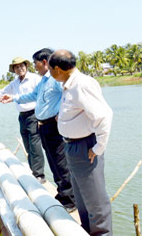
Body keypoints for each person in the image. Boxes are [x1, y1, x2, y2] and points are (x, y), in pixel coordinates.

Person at [0, 48, 75, 211]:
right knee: (53, 161)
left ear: (45, 62)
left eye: (35, 63)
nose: (34, 67)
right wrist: (13, 98)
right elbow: (33, 96)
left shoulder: (55, 79)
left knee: (61, 162)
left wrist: (61, 113)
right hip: (44, 126)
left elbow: (69, 96)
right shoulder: (43, 81)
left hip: (54, 126)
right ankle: (62, 193)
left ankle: (70, 199)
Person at [48, 50, 113, 235]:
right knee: (82, 198)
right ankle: (85, 231)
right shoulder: (69, 85)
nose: (50, 73)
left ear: (58, 69)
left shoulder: (81, 85)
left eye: (50, 69)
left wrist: (98, 148)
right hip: (72, 146)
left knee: (96, 201)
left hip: (86, 147)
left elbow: (104, 116)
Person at [0, 57, 46, 183]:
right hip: (22, 116)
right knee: (28, 145)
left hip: (34, 115)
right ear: (14, 70)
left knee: (35, 145)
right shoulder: (15, 83)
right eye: (16, 67)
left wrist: (42, 115)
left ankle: (40, 175)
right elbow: (0, 93)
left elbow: (42, 96)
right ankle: (34, 172)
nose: (20, 69)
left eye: (21, 66)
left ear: (26, 66)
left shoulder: (35, 79)